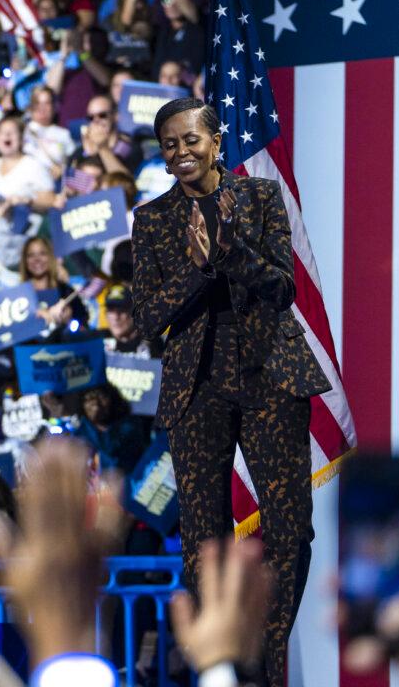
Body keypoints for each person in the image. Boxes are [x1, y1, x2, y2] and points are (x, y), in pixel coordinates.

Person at [131, 97, 332, 687]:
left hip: (272, 377)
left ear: (216, 142)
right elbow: (146, 317)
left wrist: (230, 254)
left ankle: (267, 664)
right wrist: (200, 271)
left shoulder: (260, 198)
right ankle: (221, 663)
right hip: (198, 389)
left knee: (291, 529)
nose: (181, 151)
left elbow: (281, 289)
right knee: (203, 537)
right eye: (169, 144)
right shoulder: (151, 219)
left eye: (190, 139)